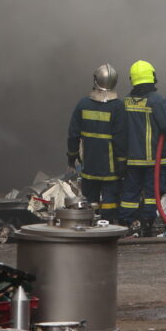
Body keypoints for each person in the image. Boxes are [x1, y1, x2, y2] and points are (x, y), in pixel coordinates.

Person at [118, 59, 166, 236]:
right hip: (155, 160)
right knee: (153, 193)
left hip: (133, 159)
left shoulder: (126, 101)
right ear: (152, 76)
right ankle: (147, 224)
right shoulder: (157, 101)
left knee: (130, 193)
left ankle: (125, 223)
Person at [66, 64, 126, 223]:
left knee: (89, 204)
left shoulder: (83, 104)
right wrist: (122, 164)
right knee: (110, 204)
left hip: (89, 166)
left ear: (96, 80)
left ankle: (88, 228)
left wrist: (72, 158)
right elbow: (120, 139)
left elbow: (73, 135)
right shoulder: (118, 106)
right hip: (110, 169)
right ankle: (108, 228)